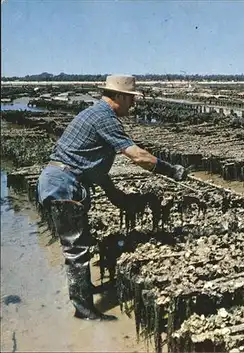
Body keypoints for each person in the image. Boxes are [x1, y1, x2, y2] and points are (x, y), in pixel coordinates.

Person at [36, 75, 189, 321]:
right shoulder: (105, 118)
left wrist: (118, 197)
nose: (133, 104)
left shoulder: (96, 115)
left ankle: (84, 292)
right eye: (130, 99)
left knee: (80, 243)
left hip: (62, 181)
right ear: (117, 96)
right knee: (76, 250)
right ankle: (84, 312)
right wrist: (172, 170)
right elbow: (137, 156)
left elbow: (93, 168)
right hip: (62, 185)